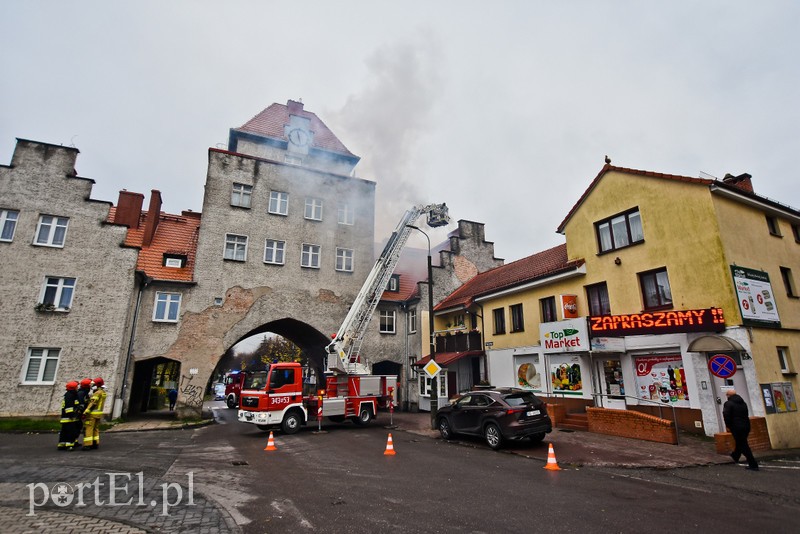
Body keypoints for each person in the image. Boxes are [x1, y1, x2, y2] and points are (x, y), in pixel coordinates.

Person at [723, 388, 759, 470]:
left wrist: (728, 426)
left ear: (728, 395)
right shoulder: (743, 403)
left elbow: (726, 416)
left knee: (743, 445)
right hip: (746, 426)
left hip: (736, 427)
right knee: (740, 442)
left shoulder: (728, 404)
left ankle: (753, 464)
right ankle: (735, 456)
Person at [82, 377, 107, 451]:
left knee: (89, 428)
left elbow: (93, 403)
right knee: (95, 428)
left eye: (94, 384)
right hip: (98, 414)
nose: (92, 386)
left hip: (92, 414)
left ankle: (87, 445)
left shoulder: (97, 393)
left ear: (98, 385)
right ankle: (95, 443)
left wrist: (85, 412)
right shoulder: (103, 392)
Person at [57, 381, 81, 451]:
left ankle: (61, 444)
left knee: (64, 432)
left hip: (66, 417)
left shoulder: (69, 394)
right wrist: (72, 415)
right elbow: (69, 408)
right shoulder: (70, 395)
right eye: (76, 387)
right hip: (69, 418)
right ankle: (69, 445)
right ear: (73, 388)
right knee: (70, 432)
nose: (77, 388)